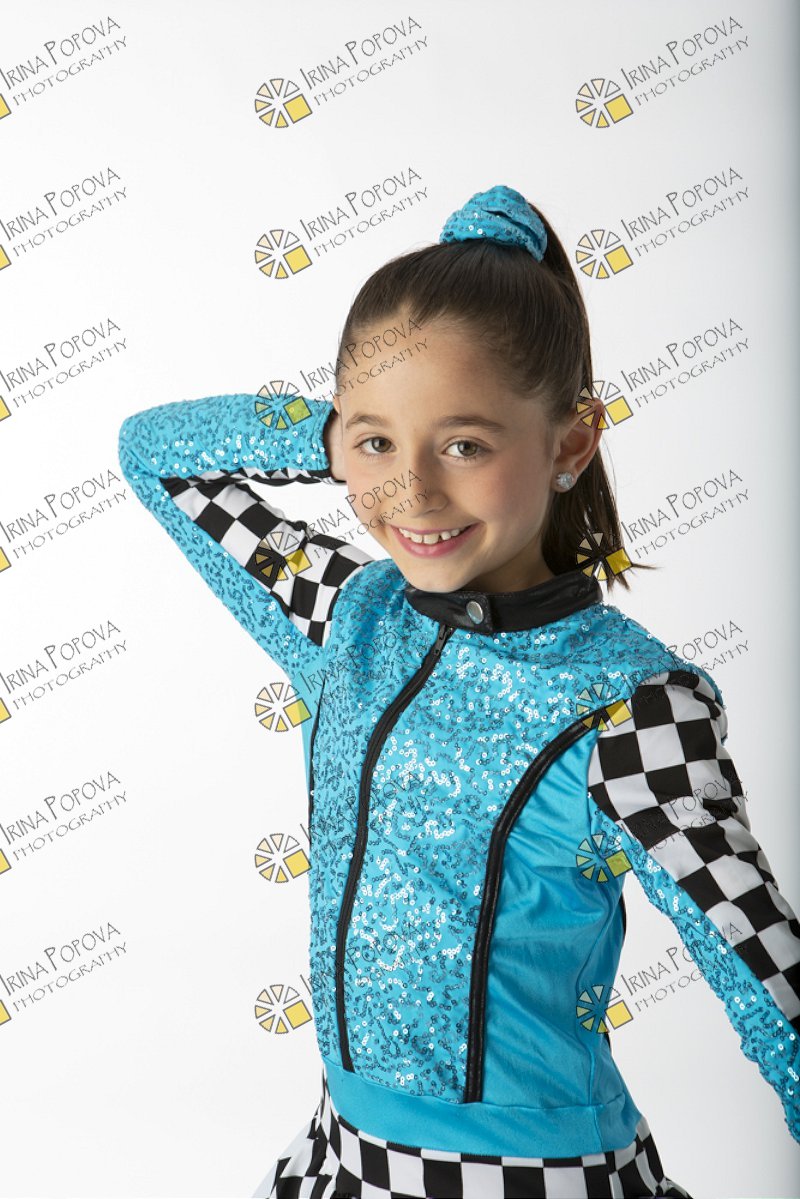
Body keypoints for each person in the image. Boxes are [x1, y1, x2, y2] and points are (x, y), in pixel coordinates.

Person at [117, 185, 800, 1199]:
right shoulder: (345, 615)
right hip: (340, 1156)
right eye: (379, 446)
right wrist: (337, 434)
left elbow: (768, 983)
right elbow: (155, 453)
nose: (412, 493)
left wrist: (376, 425)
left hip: (532, 1175)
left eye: (465, 444)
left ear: (570, 443)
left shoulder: (631, 706)